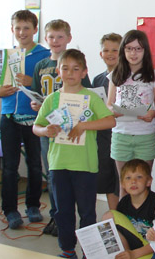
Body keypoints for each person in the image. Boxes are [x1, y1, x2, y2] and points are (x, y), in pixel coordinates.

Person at [33, 49, 116, 258]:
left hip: (85, 165)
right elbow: (37, 127)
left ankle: (89, 250)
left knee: (87, 212)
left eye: (76, 69)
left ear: (84, 72)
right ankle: (67, 249)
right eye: (65, 68)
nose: (70, 73)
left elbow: (110, 121)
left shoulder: (91, 97)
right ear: (59, 72)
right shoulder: (52, 99)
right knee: (62, 211)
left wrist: (84, 126)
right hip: (59, 164)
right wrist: (46, 130)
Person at [30, 19, 92, 236]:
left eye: (59, 37)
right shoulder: (41, 66)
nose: (55, 41)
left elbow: (88, 100)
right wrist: (37, 105)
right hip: (51, 128)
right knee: (53, 174)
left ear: (68, 38)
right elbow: (36, 97)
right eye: (51, 37)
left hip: (76, 135)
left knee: (75, 180)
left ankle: (71, 220)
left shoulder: (79, 68)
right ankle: (58, 217)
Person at [0, 9, 50, 229]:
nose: (22, 32)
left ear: (35, 30)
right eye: (17, 28)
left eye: (26, 28)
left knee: (35, 165)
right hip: (8, 116)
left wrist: (30, 81)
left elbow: (49, 88)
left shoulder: (44, 55)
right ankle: (9, 210)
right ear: (12, 30)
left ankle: (33, 205)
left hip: (34, 117)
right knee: (9, 166)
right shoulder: (6, 55)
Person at [107, 30, 155, 199]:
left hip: (144, 136)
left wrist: (152, 114)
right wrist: (113, 111)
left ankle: (143, 222)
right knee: (124, 184)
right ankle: (125, 224)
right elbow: (109, 104)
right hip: (121, 135)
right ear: (123, 51)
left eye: (138, 49)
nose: (133, 53)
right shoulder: (115, 75)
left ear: (145, 51)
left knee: (143, 183)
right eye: (129, 48)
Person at [101, 159, 155, 259]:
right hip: (130, 250)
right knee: (108, 217)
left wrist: (134, 254)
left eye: (139, 177)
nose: (133, 181)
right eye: (128, 178)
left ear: (148, 181)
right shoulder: (124, 203)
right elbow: (119, 232)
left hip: (149, 251)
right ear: (122, 184)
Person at [92, 32, 123, 210]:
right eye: (106, 50)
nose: (110, 54)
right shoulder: (97, 79)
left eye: (115, 50)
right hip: (103, 137)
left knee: (121, 178)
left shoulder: (127, 77)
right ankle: (114, 214)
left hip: (121, 134)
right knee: (108, 179)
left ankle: (124, 219)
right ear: (101, 54)